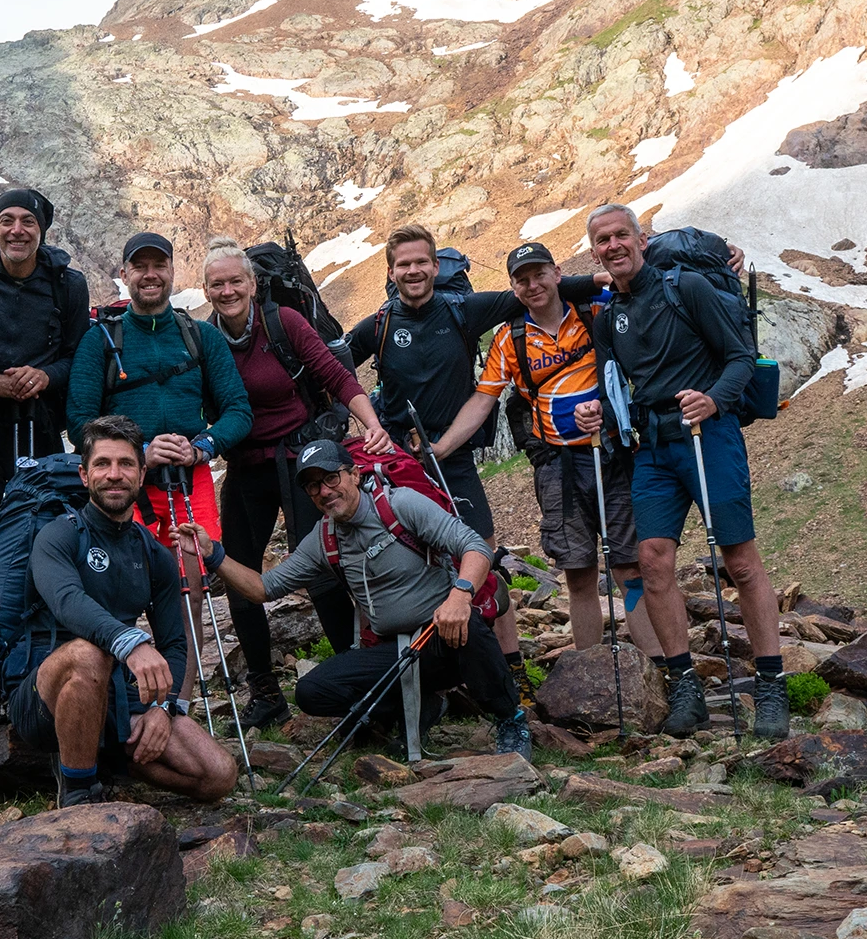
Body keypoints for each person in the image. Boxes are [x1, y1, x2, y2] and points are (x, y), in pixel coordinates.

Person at [345, 224, 603, 703]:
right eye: (404, 264)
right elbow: (334, 366)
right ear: (391, 272)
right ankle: (423, 673)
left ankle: (510, 669)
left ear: (435, 265)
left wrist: (599, 280)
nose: (414, 270)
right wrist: (365, 423)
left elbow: (536, 290)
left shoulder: (463, 309)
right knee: (406, 561)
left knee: (481, 556)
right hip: (399, 464)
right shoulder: (377, 326)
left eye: (421, 261)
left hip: (454, 458)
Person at [573, 203, 790, 740]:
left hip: (707, 436)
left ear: (641, 240)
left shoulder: (686, 287)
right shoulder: (608, 318)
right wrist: (597, 412)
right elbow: (613, 386)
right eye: (602, 240)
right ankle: (685, 686)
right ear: (594, 252)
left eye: (621, 235)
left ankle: (771, 685)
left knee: (740, 562)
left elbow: (740, 357)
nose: (613, 245)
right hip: (652, 447)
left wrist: (713, 400)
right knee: (652, 560)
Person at [181, 439, 531, 759]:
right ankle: (419, 706)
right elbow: (263, 588)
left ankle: (509, 719)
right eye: (313, 485)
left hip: (444, 638)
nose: (324, 491)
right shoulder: (323, 539)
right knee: (312, 691)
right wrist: (213, 555)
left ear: (354, 474)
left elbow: (474, 546)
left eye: (331, 478)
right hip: (394, 652)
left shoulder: (400, 505)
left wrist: (460, 595)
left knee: (469, 625)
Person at [430, 240, 667, 665]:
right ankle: (588, 668)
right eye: (522, 279)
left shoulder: (595, 311)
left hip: (613, 456)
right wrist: (441, 448)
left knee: (630, 569)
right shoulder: (510, 339)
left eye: (540, 274)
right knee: (578, 573)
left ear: (558, 274)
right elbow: (483, 400)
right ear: (513, 288)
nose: (533, 284)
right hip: (557, 467)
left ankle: (659, 665)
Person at [200, 236, 394, 729]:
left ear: (252, 283)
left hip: (298, 461)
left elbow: (335, 375)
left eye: (235, 281)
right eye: (217, 284)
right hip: (245, 466)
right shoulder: (204, 340)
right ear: (206, 290)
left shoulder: (283, 323)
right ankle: (265, 692)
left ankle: (355, 682)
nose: (227, 291)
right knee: (237, 575)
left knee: (322, 569)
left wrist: (372, 424)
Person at [8, 415, 240, 806]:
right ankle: (79, 793)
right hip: (41, 695)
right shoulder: (59, 535)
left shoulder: (153, 554)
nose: (114, 474)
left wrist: (164, 708)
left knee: (217, 774)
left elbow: (174, 641)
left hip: (116, 695)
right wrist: (130, 643)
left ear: (142, 473)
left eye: (126, 464)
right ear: (84, 475)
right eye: (102, 464)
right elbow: (67, 601)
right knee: (89, 653)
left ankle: (114, 757)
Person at [66, 232, 251, 688]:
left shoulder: (201, 336)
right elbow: (80, 423)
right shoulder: (98, 341)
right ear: (124, 274)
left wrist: (202, 447)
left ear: (171, 271)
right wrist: (140, 454)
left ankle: (181, 702)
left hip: (190, 481)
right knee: (117, 593)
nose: (150, 275)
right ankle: (121, 702)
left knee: (190, 592)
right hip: (121, 485)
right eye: (140, 267)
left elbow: (238, 411)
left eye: (159, 266)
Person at [0, 188, 92, 550]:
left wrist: (45, 377)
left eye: (28, 221)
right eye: (6, 220)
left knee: (45, 543)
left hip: (42, 429)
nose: (16, 230)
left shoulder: (68, 285)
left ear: (42, 230)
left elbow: (79, 356)